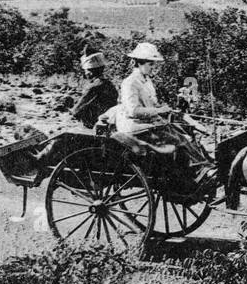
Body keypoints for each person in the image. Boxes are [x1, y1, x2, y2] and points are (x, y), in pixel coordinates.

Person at [98, 42, 218, 198]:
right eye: (150, 64)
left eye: (153, 64)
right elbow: (133, 110)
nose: (152, 67)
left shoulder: (146, 81)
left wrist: (164, 109)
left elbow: (151, 104)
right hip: (134, 126)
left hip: (148, 123)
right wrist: (159, 111)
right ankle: (199, 171)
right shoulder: (130, 82)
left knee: (185, 134)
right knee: (179, 140)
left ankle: (199, 170)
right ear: (138, 63)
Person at [69, 52, 118, 129]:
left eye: (86, 71)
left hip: (94, 124)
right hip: (110, 122)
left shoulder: (93, 87)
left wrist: (73, 111)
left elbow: (76, 110)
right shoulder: (109, 84)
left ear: (90, 72)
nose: (85, 73)